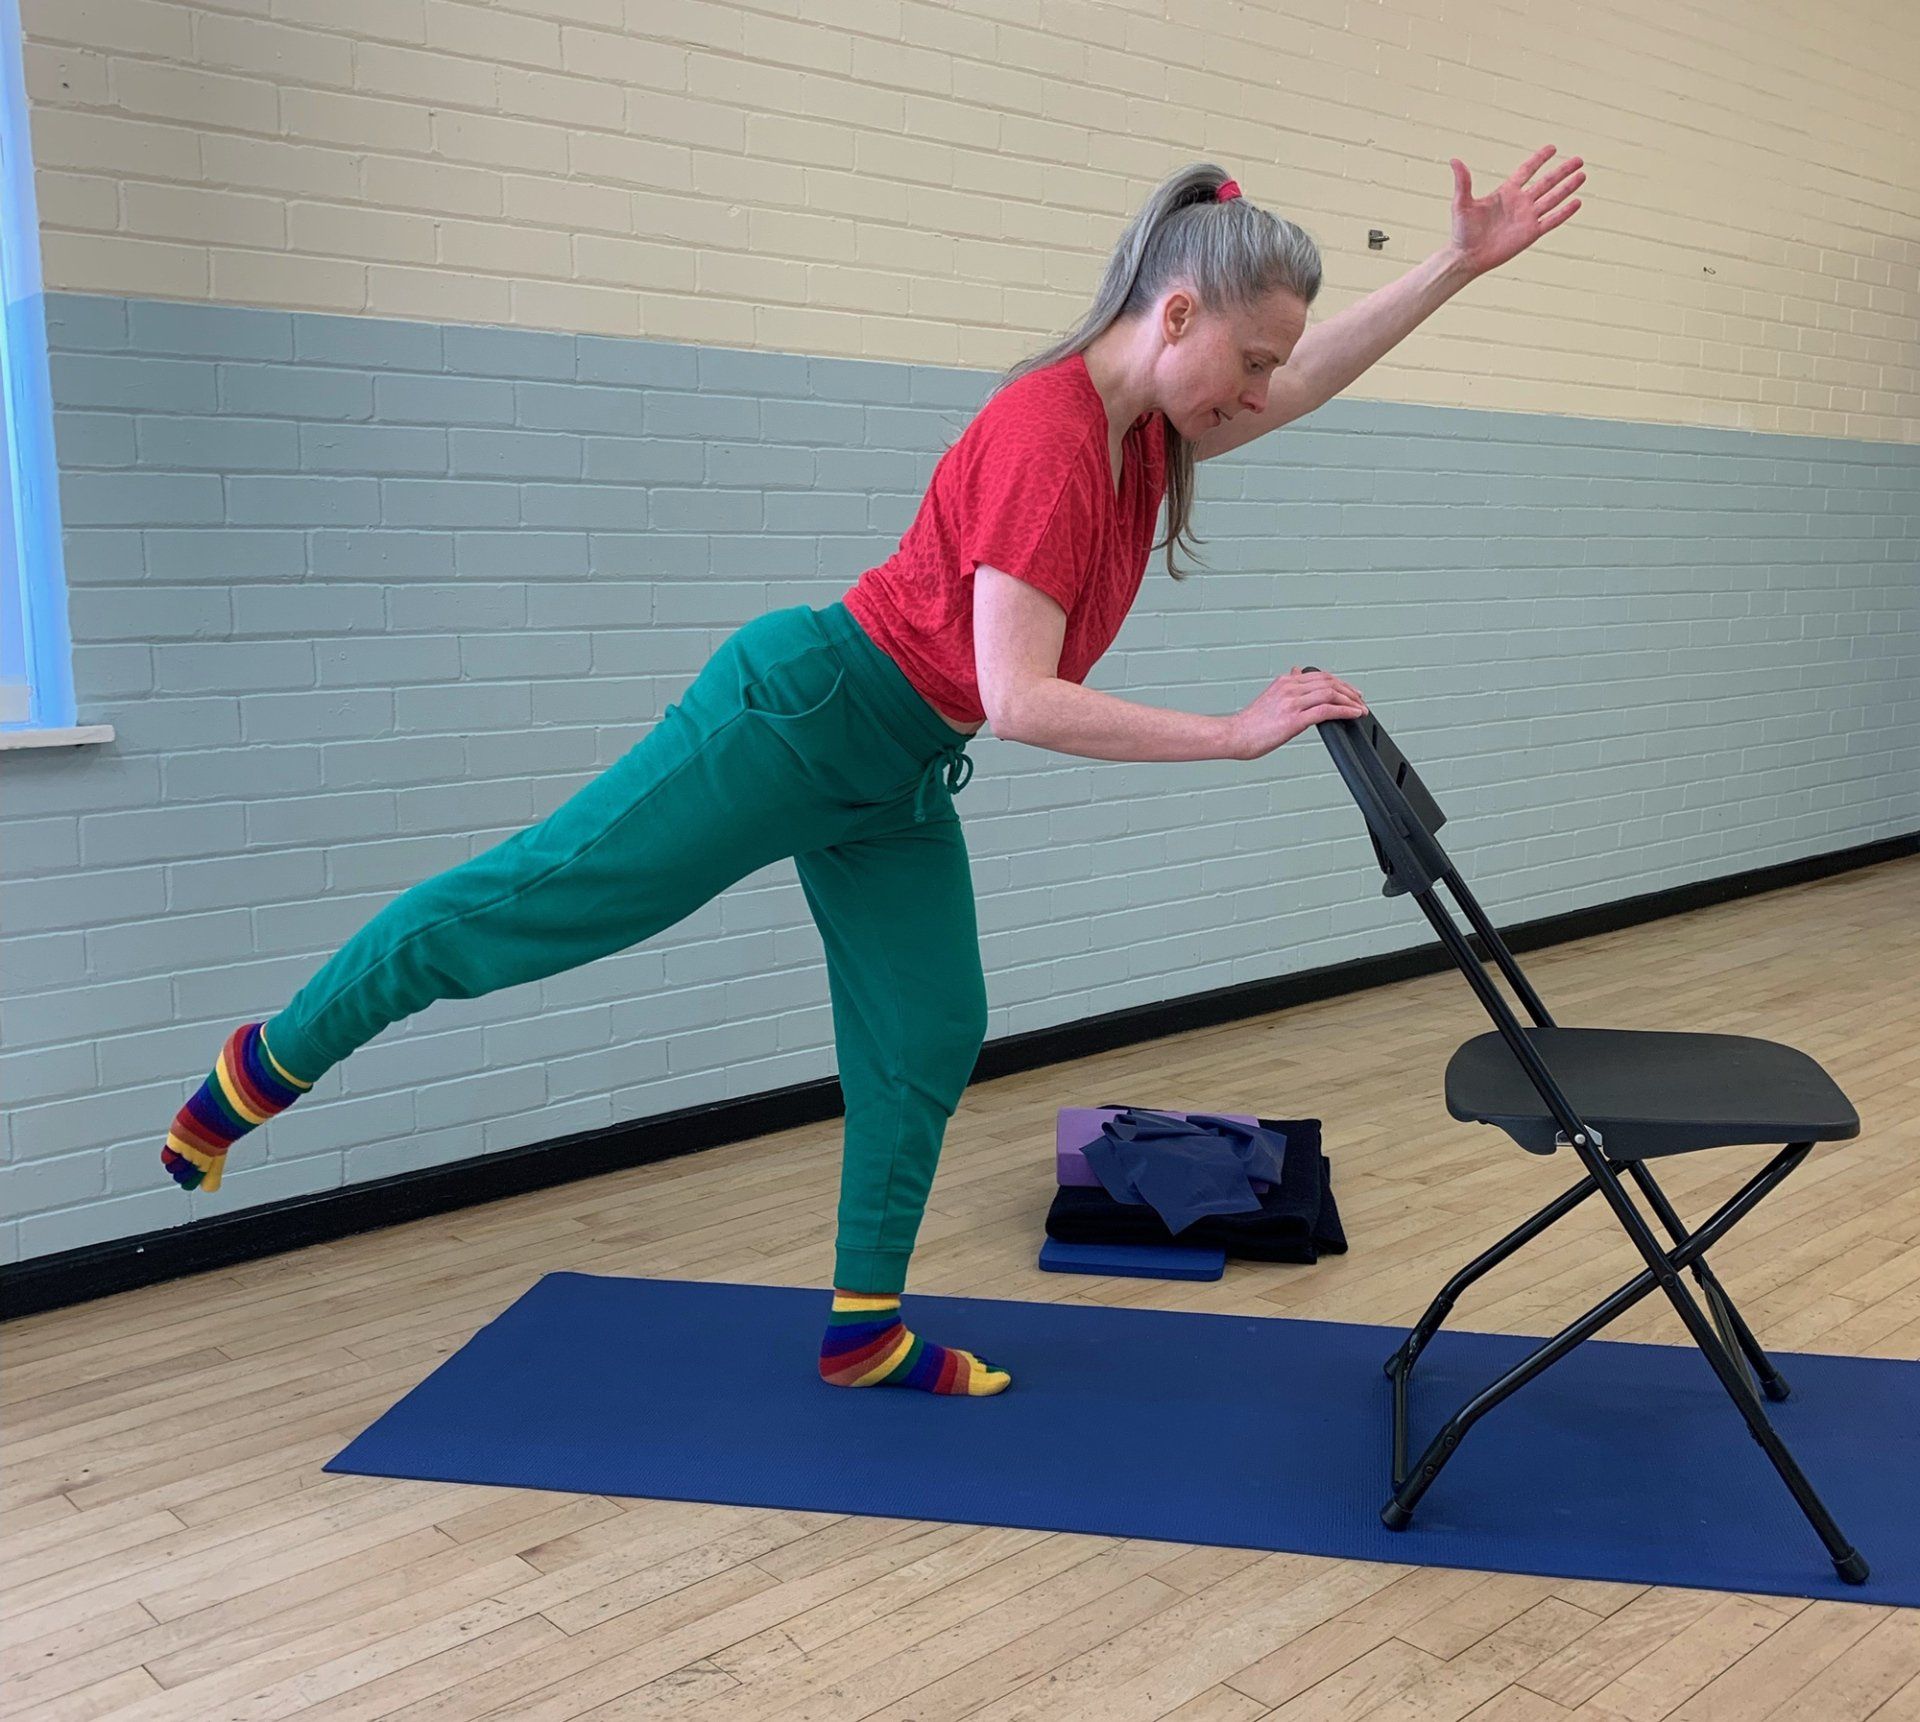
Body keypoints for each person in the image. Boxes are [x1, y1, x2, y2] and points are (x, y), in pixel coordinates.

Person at [163, 149, 1585, 1397]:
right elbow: (1021, 699)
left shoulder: (1149, 429)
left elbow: (1317, 373)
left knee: (929, 1025)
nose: (1264, 389)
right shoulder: (1047, 440)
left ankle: (862, 1327)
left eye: (1270, 366)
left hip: (895, 766)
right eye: (1252, 360)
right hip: (793, 720)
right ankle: (263, 1062)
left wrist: (1457, 267)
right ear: (1175, 316)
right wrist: (1229, 731)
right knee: (530, 908)